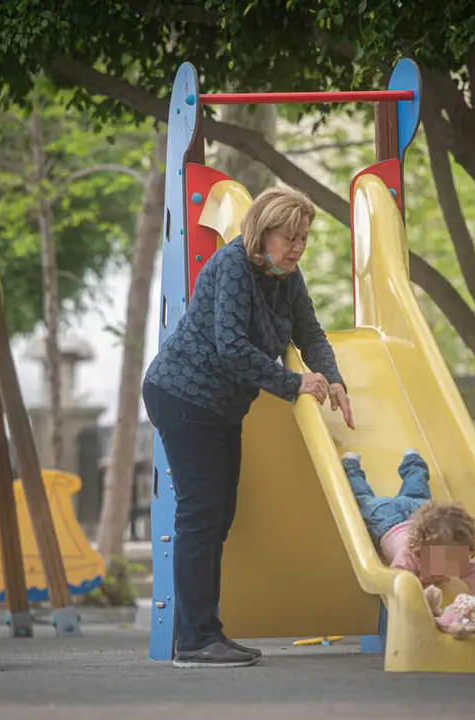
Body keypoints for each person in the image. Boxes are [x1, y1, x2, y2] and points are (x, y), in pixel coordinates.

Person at [143, 187, 355, 669]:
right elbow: (231, 348)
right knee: (201, 515)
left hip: (220, 406)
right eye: (290, 237)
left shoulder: (286, 276)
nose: (297, 247)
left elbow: (311, 332)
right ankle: (196, 641)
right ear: (264, 232)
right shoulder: (232, 265)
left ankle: (201, 630)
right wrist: (294, 382)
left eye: (303, 238)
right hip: (182, 396)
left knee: (219, 514)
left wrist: (334, 378)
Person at [341, 450, 475, 610]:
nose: (449, 563)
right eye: (442, 556)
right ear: (422, 548)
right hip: (386, 520)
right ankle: (351, 467)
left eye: (455, 556)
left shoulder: (457, 557)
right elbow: (398, 584)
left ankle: (413, 459)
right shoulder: (408, 556)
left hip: (415, 510)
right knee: (363, 500)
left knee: (417, 492)